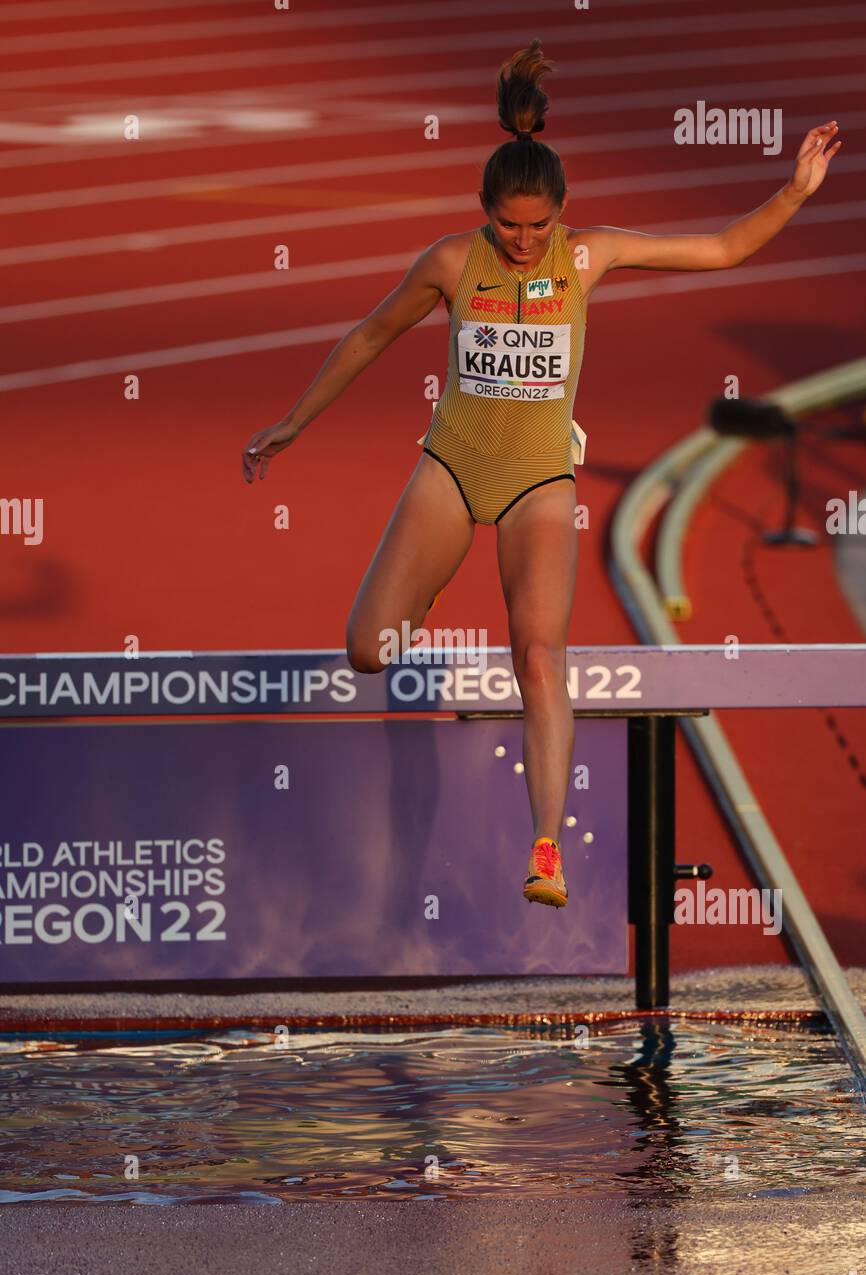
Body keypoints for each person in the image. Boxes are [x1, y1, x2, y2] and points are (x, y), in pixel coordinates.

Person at [243, 38, 839, 910]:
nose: (523, 243)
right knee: (367, 649)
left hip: (536, 483)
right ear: (484, 210)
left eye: (538, 227)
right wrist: (294, 421)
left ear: (563, 214)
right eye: (507, 225)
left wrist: (792, 191)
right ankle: (434, 580)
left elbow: (719, 251)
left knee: (539, 656)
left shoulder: (587, 258)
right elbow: (372, 334)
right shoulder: (452, 263)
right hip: (452, 464)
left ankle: (546, 847)